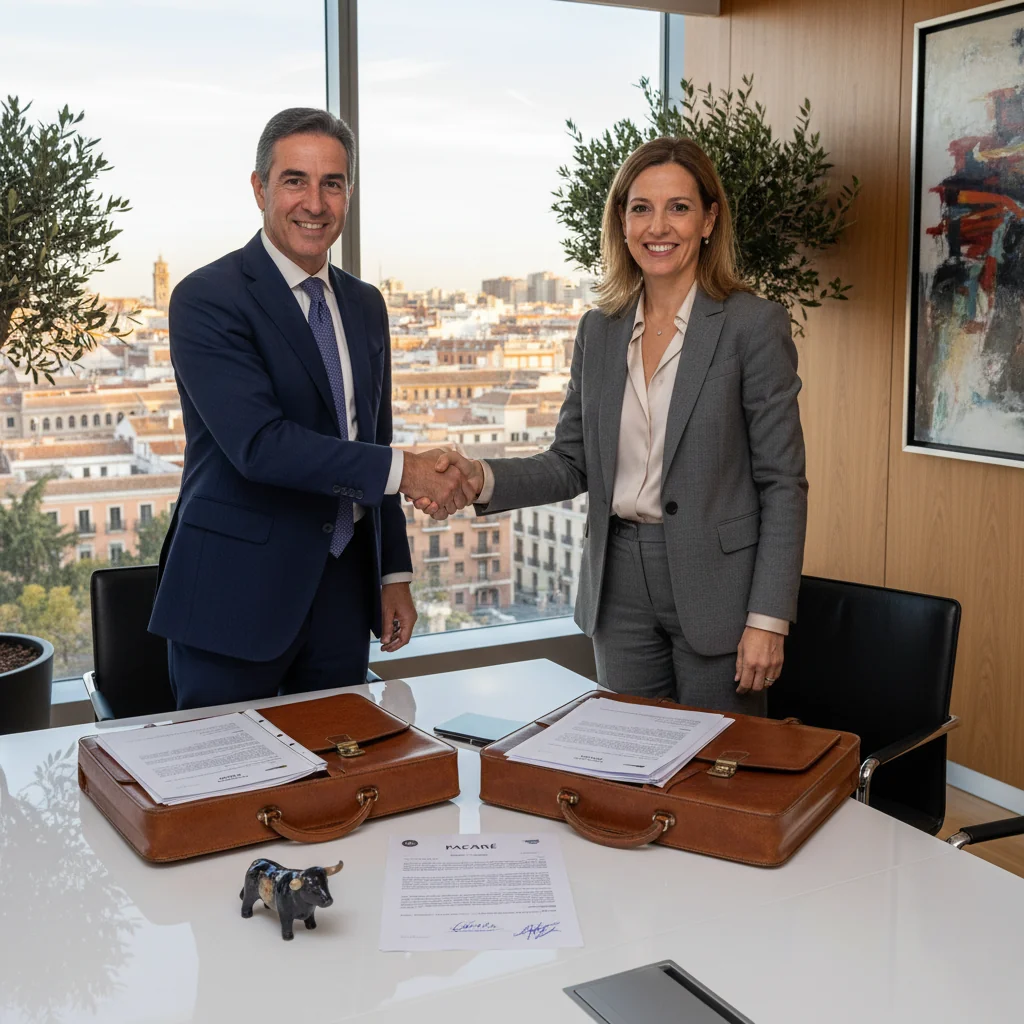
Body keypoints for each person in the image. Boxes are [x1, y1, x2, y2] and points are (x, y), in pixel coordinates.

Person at [428, 137, 807, 714]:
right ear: (622, 223)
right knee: (628, 763)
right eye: (641, 208)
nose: (659, 226)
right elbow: (571, 462)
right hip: (618, 587)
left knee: (715, 771)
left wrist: (768, 618)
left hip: (718, 588)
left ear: (709, 219)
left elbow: (783, 483)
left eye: (679, 207)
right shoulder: (598, 330)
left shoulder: (752, 326)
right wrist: (478, 478)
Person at [150, 108, 471, 710]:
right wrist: (411, 469)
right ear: (259, 188)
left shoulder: (366, 304)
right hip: (232, 593)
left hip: (344, 596)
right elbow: (260, 445)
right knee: (226, 788)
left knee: (338, 780)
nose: (315, 203)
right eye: (295, 180)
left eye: (333, 183)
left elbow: (372, 433)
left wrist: (392, 574)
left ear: (349, 193)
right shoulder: (206, 299)